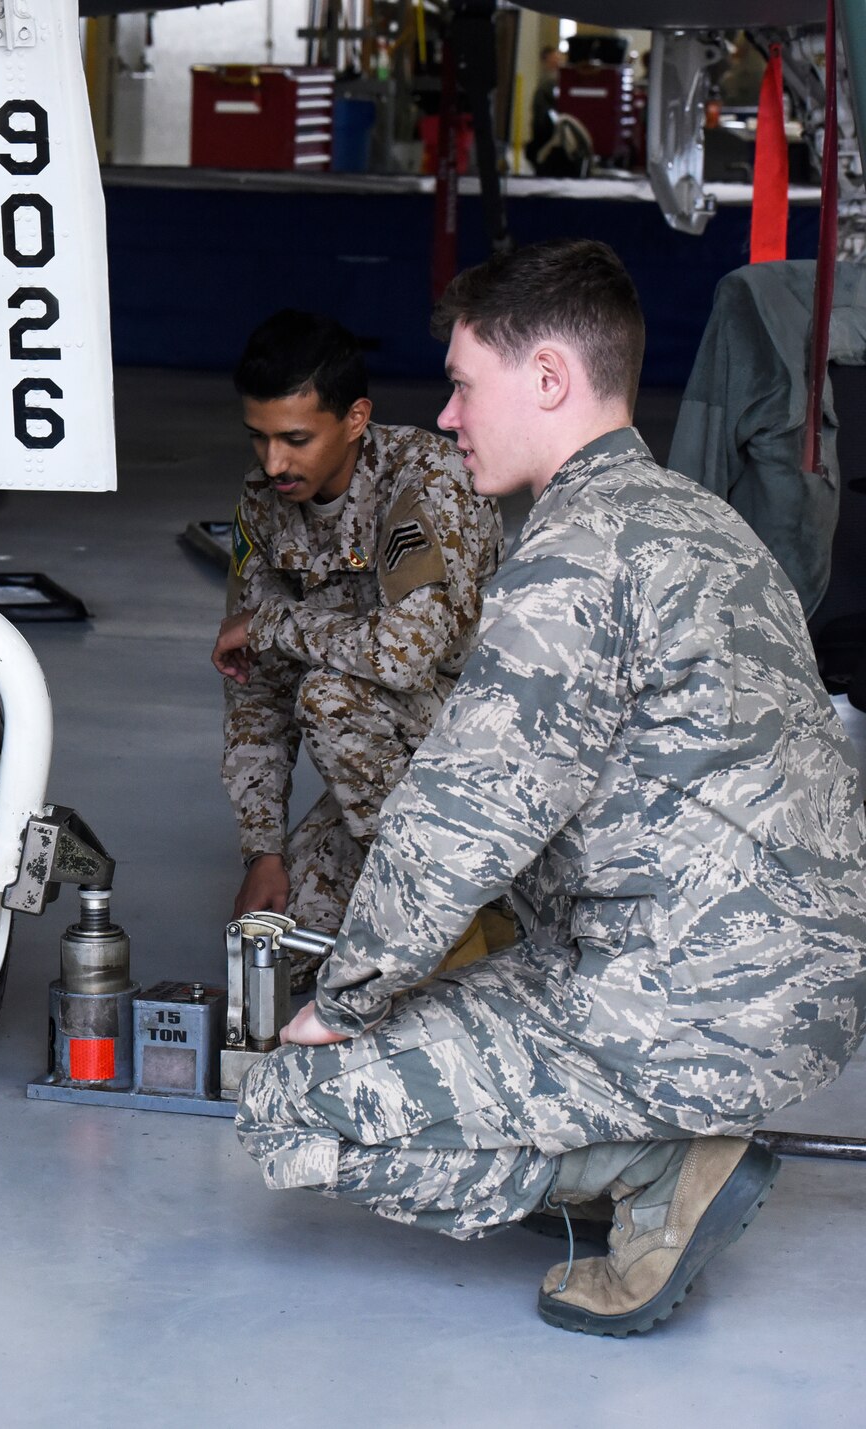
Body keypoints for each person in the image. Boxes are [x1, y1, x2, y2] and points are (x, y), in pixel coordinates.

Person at [235, 240, 866, 1336]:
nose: (445, 415)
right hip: (791, 981)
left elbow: (453, 827)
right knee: (455, 1016)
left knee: (289, 1112)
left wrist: (340, 1006)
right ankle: (631, 1143)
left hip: (687, 998)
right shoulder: (700, 520)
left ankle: (651, 1166)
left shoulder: (572, 555)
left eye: (463, 382)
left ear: (545, 381)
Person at [214, 310, 502, 986]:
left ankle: (451, 914)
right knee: (287, 953)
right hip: (393, 777)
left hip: (486, 755)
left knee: (331, 696)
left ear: (355, 417)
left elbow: (405, 655)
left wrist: (273, 622)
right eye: (258, 438)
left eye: (294, 439)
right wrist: (263, 851)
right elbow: (254, 689)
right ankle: (437, 911)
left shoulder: (427, 481)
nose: (273, 462)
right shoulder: (264, 505)